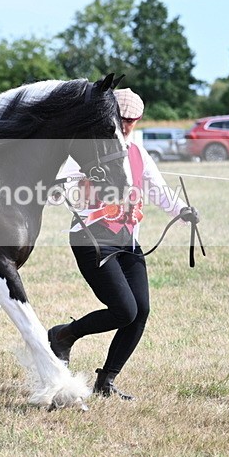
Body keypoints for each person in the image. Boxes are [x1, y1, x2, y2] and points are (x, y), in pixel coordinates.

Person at [48, 88, 199, 400]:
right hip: (92, 239)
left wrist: (183, 211)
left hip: (128, 243)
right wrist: (59, 188)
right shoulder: (90, 150)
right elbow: (61, 181)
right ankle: (63, 335)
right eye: (121, 119)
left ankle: (107, 380)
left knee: (140, 310)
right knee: (124, 310)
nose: (127, 125)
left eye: (133, 120)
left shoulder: (139, 154)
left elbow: (159, 190)